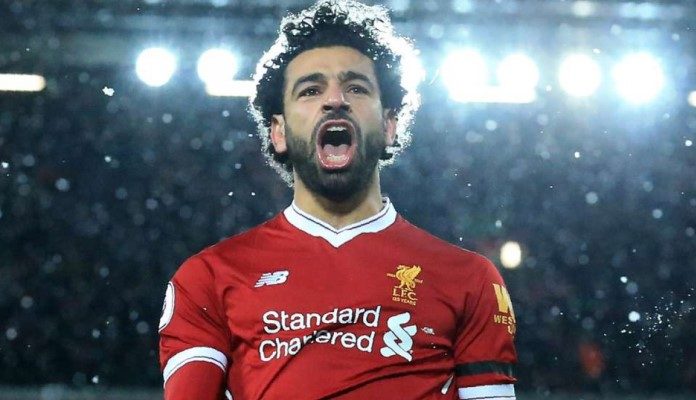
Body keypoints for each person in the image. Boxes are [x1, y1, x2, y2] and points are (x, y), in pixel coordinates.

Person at [158, 1, 517, 399]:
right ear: (278, 132)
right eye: (310, 90)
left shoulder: (470, 279)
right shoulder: (208, 278)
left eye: (356, 88)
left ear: (389, 125)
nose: (335, 100)